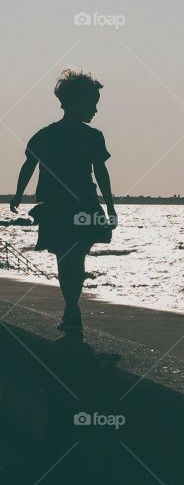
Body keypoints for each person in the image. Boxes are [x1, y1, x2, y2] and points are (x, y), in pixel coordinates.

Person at [9, 69, 116, 337]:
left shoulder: (69, 135)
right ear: (74, 103)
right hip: (71, 207)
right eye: (92, 104)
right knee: (72, 257)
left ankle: (71, 307)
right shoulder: (55, 136)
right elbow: (29, 165)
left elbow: (100, 172)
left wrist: (111, 206)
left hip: (75, 206)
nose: (95, 110)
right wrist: (18, 193)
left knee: (70, 257)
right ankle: (72, 307)